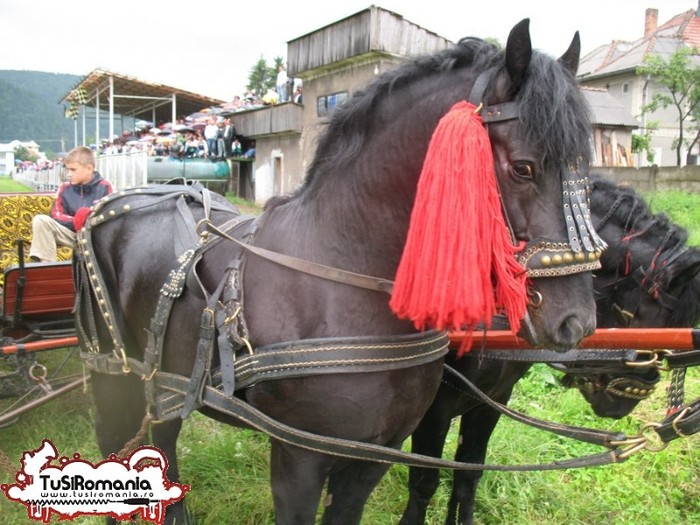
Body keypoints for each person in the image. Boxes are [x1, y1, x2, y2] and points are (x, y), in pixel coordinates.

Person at [29, 146, 113, 262]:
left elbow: (110, 217)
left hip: (94, 238)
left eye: (73, 170)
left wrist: (87, 220)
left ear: (89, 168)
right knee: (40, 220)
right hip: (71, 235)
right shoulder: (64, 188)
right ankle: (47, 269)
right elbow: (56, 215)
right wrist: (78, 220)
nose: (68, 174)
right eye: (67, 169)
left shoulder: (105, 187)